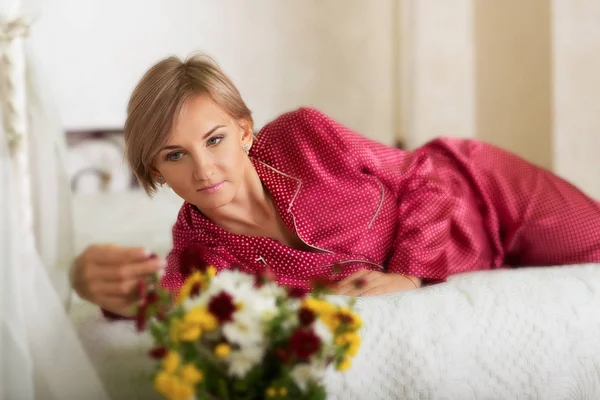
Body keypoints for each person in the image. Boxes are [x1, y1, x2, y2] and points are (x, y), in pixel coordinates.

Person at [71, 53, 600, 318]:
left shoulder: (304, 136)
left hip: (485, 192)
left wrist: (409, 276)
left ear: (245, 130)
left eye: (214, 140)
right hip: (477, 259)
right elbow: (156, 307)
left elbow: (424, 176)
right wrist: (89, 284)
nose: (203, 169)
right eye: (174, 155)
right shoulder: (199, 255)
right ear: (156, 171)